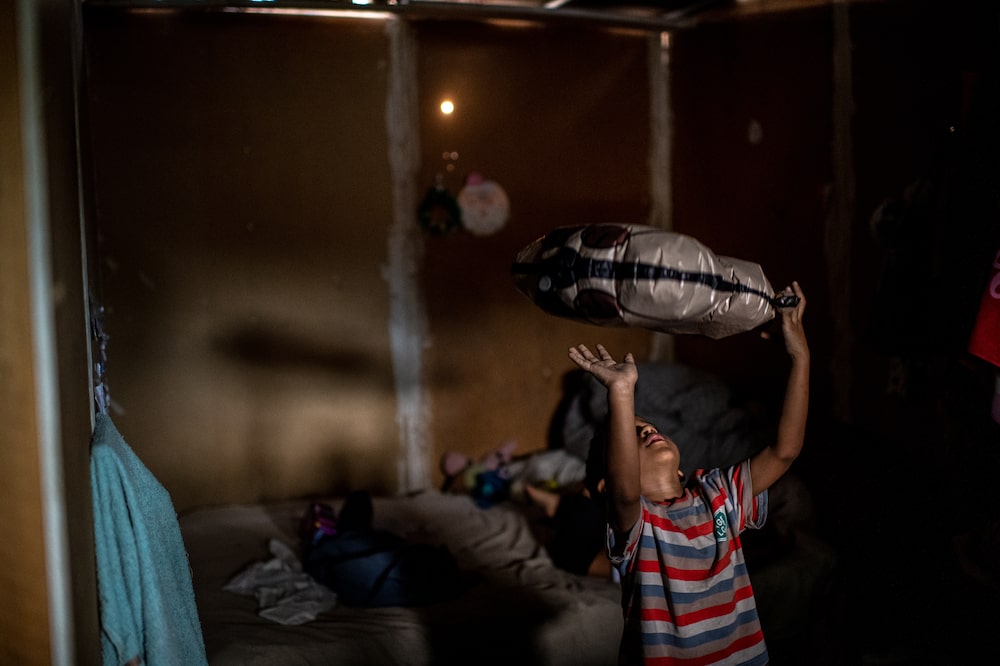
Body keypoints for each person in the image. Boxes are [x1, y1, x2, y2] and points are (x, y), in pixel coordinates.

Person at [568, 281, 809, 665]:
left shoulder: (718, 493)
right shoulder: (639, 526)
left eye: (647, 426)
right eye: (631, 435)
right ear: (607, 484)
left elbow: (784, 452)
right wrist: (621, 392)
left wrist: (800, 357)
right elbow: (626, 491)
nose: (646, 430)